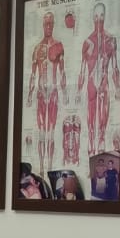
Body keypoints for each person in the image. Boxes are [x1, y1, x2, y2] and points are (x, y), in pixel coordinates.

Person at [25, 10, 67, 173]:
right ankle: (42, 167)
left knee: (51, 132)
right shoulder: (37, 49)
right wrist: (30, 95)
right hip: (41, 94)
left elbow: (62, 72)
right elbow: (32, 74)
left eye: (51, 23)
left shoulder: (59, 46)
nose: (48, 26)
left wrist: (65, 93)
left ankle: (49, 167)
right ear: (43, 25)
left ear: (54, 25)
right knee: (42, 133)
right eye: (46, 24)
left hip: (54, 93)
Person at [77, 1, 120, 159]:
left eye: (101, 15)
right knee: (91, 119)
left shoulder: (111, 40)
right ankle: (91, 148)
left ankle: (100, 149)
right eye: (96, 16)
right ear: (92, 17)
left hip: (103, 82)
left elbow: (114, 67)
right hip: (91, 83)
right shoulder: (87, 42)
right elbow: (82, 69)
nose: (99, 19)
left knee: (102, 119)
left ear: (105, 16)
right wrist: (78, 90)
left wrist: (118, 88)